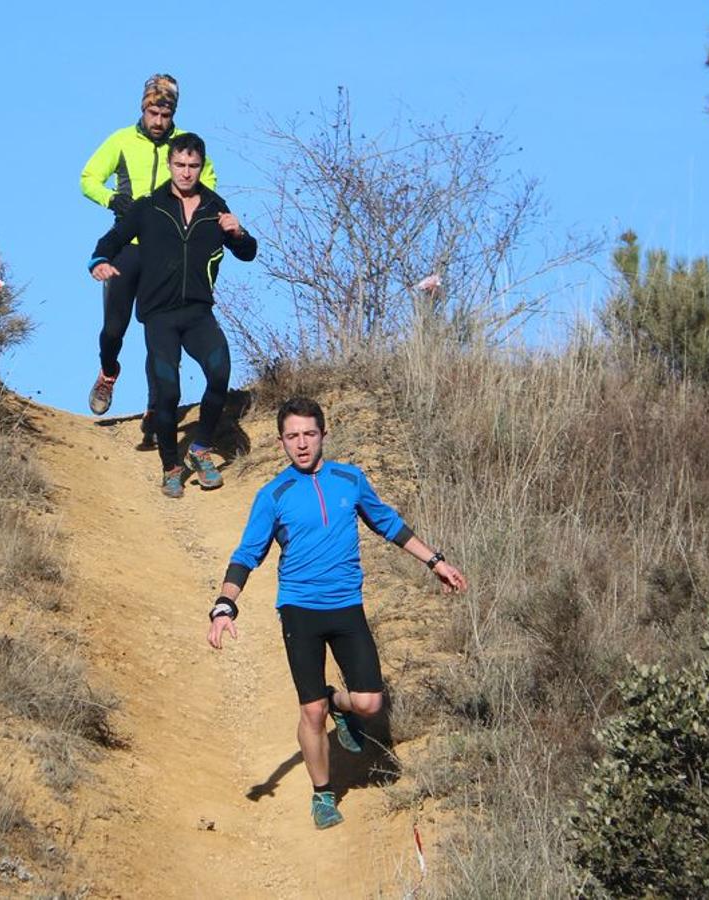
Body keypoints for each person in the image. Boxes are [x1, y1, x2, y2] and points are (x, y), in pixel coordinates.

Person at [205, 397, 468, 829]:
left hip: (347, 606)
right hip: (299, 611)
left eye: (309, 434)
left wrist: (435, 562)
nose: (302, 444)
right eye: (293, 437)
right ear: (281, 442)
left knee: (369, 701)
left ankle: (337, 703)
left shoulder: (350, 479)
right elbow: (246, 554)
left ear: (323, 435)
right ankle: (323, 794)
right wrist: (224, 604)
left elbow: (387, 522)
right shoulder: (273, 495)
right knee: (310, 714)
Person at [88, 132, 255, 498]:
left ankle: (200, 449)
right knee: (168, 392)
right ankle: (171, 466)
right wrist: (98, 262)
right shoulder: (149, 207)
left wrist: (238, 232)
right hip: (160, 315)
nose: (185, 173)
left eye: (193, 166)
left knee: (220, 373)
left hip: (198, 314)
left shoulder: (214, 207)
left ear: (201, 167)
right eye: (179, 165)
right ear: (170, 164)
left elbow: (248, 252)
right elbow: (112, 239)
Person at [79, 73, 217, 447]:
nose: (159, 121)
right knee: (114, 328)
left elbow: (209, 185)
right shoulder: (121, 140)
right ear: (143, 108)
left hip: (169, 252)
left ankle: (156, 408)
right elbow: (88, 177)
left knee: (160, 333)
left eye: (165, 114)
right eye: (153, 112)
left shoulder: (185, 148)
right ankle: (108, 372)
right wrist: (111, 199)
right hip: (128, 246)